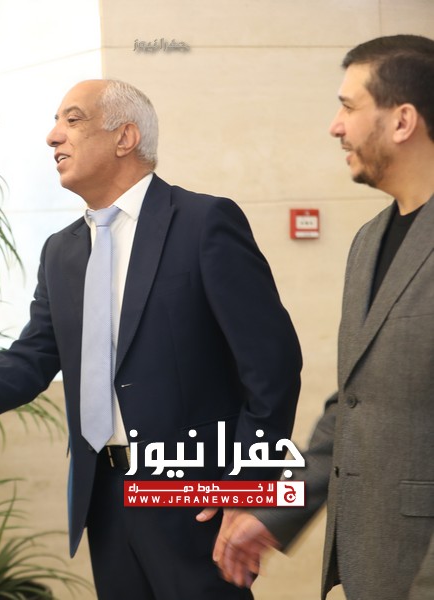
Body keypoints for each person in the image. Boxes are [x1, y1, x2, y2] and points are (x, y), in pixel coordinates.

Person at [0, 79, 302, 598]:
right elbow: (34, 357)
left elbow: (272, 367)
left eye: (72, 120)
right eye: (56, 122)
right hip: (104, 498)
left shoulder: (203, 223)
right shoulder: (61, 250)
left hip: (195, 499)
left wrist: (245, 484)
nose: (53, 136)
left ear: (125, 137)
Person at [214, 34, 434, 600]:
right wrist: (275, 510)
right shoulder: (368, 242)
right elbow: (357, 403)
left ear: (402, 121)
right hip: (370, 565)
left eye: (348, 107)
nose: (336, 127)